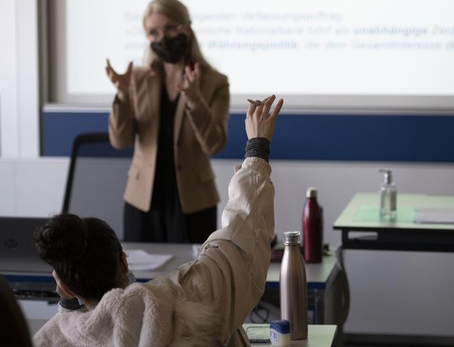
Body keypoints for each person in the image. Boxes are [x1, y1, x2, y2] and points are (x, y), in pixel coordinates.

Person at [33, 95, 283, 347]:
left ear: (63, 286)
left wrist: (68, 305)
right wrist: (257, 146)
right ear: (123, 259)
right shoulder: (182, 302)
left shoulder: (52, 338)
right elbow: (240, 239)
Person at [106, 0, 230, 243]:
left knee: (194, 277)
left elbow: (214, 144)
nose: (161, 38)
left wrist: (195, 100)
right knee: (141, 280)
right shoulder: (139, 78)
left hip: (193, 200)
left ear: (186, 27)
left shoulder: (214, 81)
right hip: (143, 199)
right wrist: (122, 95)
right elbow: (120, 140)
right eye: (153, 32)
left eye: (169, 28)